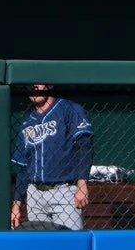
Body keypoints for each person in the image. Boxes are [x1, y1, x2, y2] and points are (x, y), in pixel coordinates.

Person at [10, 84, 94, 230]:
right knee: (41, 247)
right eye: (29, 85)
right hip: (34, 194)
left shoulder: (68, 109)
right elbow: (23, 168)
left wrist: (82, 184)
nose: (34, 88)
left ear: (49, 85)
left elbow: (84, 146)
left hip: (64, 190)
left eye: (38, 83)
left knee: (70, 244)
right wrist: (16, 205)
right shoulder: (26, 124)